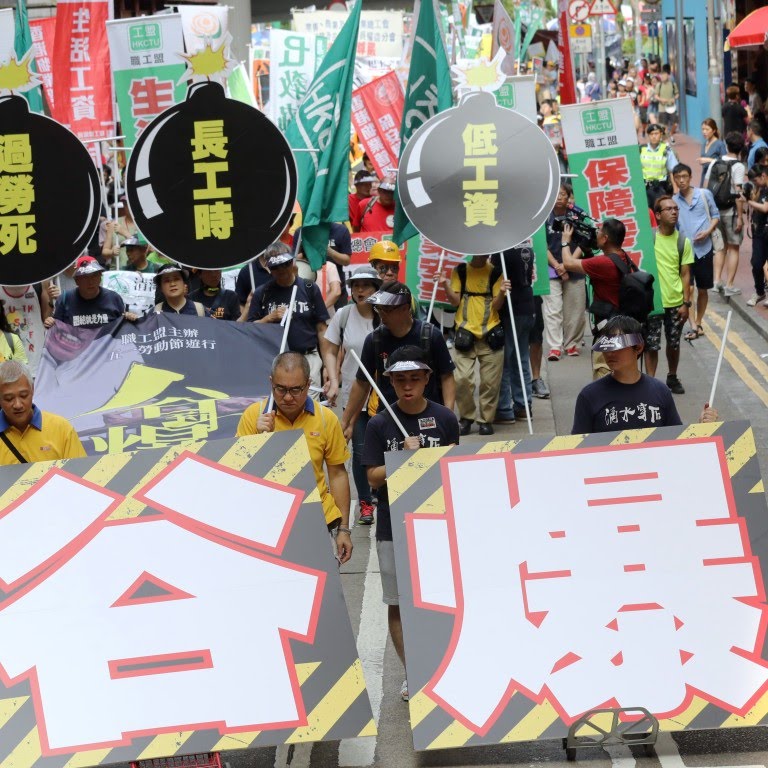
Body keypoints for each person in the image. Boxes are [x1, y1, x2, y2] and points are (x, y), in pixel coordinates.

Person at [362, 345, 459, 702]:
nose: (407, 386)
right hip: (392, 526)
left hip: (436, 522)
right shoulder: (378, 424)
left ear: (427, 379)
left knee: (439, 599)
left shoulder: (446, 419)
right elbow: (372, 477)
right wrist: (402, 459)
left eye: (414, 379)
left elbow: (452, 469)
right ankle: (412, 672)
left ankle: (442, 666)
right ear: (389, 380)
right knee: (399, 602)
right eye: (400, 379)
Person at [236, 352, 352, 564]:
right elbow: (237, 476)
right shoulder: (253, 417)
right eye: (281, 389)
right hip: (268, 525)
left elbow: (337, 475)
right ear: (271, 383)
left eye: (296, 390)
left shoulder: (326, 419)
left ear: (308, 385)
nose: (288, 397)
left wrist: (343, 529)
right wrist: (255, 440)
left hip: (317, 521)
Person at [340, 282, 455, 440]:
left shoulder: (431, 336)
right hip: (390, 418)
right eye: (379, 309)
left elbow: (447, 377)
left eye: (387, 309)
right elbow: (362, 383)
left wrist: (448, 416)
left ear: (405, 308)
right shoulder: (374, 340)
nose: (381, 314)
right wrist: (345, 422)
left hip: (428, 420)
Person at [572, 316, 717, 435]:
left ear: (639, 347)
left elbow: (676, 441)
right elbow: (577, 450)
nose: (610, 353)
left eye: (617, 347)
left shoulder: (660, 391)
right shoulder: (589, 396)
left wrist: (702, 428)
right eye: (606, 348)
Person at [324, 266, 381, 525]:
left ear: (376, 288)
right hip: (353, 395)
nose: (360, 290)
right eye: (356, 285)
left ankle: (386, 492)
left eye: (366, 285)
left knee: (387, 448)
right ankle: (366, 503)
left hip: (385, 397)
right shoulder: (344, 316)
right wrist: (333, 381)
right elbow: (330, 349)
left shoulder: (386, 314)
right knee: (360, 452)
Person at [247, 244, 337, 398]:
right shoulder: (262, 293)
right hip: (275, 360)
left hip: (308, 358)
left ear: (293, 262)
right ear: (269, 268)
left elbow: (322, 330)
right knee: (277, 410)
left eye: (285, 264)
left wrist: (330, 371)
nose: (282, 270)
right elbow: (250, 330)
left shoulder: (309, 288)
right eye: (276, 267)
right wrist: (269, 318)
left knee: (310, 410)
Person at [440, 254, 509, 436]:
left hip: (490, 333)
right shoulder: (460, 271)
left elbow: (497, 305)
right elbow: (454, 301)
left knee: (490, 383)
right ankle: (466, 418)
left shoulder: (496, 273)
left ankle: (486, 420)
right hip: (465, 333)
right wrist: (445, 284)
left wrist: (502, 291)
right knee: (461, 379)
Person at [560, 218, 631, 379]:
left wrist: (565, 242)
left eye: (598, 232)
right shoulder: (623, 257)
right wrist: (588, 251)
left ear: (605, 238)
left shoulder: (603, 263)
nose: (595, 234)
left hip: (609, 333)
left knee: (604, 376)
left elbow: (568, 263)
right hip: (623, 327)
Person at [646, 196, 693, 393]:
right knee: (651, 345)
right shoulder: (649, 238)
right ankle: (649, 384)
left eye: (676, 209)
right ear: (658, 215)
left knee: (673, 343)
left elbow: (685, 274)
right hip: (653, 301)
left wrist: (686, 303)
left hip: (675, 302)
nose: (674, 212)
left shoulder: (683, 241)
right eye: (668, 209)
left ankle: (672, 377)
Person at [0, 360, 86, 464]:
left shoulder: (61, 429)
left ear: (32, 390)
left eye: (23, 395)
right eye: (9, 398)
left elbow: (79, 473)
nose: (18, 405)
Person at [671, 164, 720, 341]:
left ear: (690, 177)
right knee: (688, 289)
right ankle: (692, 325)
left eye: (684, 176)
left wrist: (707, 232)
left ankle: (699, 321)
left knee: (703, 289)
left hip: (704, 249)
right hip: (685, 252)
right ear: (674, 179)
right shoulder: (673, 202)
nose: (681, 180)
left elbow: (716, 216)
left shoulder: (704, 194)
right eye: (678, 177)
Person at [542, 183, 587, 361]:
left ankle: (572, 344)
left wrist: (569, 264)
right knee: (553, 310)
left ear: (569, 197)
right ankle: (554, 346)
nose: (560, 197)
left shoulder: (577, 214)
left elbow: (584, 241)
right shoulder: (544, 216)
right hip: (551, 268)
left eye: (563, 194)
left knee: (575, 309)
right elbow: (541, 245)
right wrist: (557, 266)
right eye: (557, 194)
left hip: (574, 267)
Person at [491, 245, 535, 423]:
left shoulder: (502, 250)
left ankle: (504, 408)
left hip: (511, 308)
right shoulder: (527, 247)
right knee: (522, 358)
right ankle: (524, 406)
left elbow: (494, 277)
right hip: (528, 305)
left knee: (504, 360)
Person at [48, 256, 137, 329]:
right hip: (75, 349)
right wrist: (50, 322)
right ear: (76, 280)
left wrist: (129, 318)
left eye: (94, 276)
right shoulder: (65, 299)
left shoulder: (114, 298)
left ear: (100, 277)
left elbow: (122, 328)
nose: (90, 282)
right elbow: (56, 330)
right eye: (85, 277)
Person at [707, 131, 746, 296]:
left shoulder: (714, 163)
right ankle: (729, 285)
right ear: (741, 148)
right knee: (734, 248)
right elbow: (738, 194)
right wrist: (740, 218)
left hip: (715, 211)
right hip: (730, 212)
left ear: (726, 145)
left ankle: (716, 282)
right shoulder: (739, 166)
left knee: (719, 248)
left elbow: (706, 188)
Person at [0, 283, 50, 377]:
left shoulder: (39, 283)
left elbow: (46, 319)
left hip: (37, 358)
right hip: (8, 359)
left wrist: (51, 300)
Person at [743, 165, 768, 308]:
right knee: (757, 263)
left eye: (755, 180)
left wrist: (748, 202)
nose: (755, 183)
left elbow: (765, 208)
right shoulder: (760, 189)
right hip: (759, 232)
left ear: (763, 176)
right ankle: (760, 292)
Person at [640, 123, 678, 210]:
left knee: (662, 212)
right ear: (648, 135)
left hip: (660, 189)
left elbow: (673, 170)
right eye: (651, 134)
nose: (654, 136)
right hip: (644, 188)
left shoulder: (666, 150)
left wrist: (676, 191)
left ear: (661, 134)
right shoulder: (641, 149)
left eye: (656, 134)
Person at [698, 118, 726, 187]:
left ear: (714, 130)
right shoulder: (704, 143)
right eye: (703, 129)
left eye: (707, 129)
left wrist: (709, 160)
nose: (704, 132)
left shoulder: (719, 144)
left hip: (714, 179)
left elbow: (725, 162)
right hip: (704, 177)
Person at [655, 66, 679, 143]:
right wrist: (661, 99)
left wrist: (674, 99)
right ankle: (665, 140)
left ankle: (670, 134)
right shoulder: (659, 85)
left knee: (675, 123)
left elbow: (677, 94)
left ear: (668, 75)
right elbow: (656, 95)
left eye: (664, 75)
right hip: (662, 108)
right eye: (661, 75)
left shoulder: (672, 84)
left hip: (671, 107)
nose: (662, 77)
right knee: (663, 125)